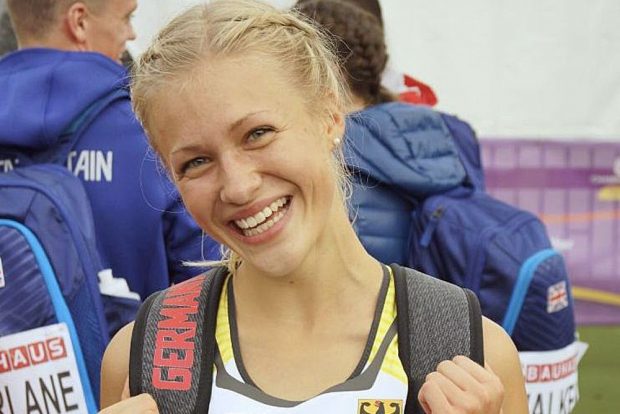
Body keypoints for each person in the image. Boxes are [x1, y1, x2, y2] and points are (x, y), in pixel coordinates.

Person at [99, 1, 527, 413]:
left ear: (330, 115)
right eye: (196, 162)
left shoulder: (473, 355)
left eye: (258, 133)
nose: (239, 187)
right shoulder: (139, 361)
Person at [0, 0, 219, 303]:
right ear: (79, 22)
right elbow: (207, 280)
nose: (131, 34)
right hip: (139, 333)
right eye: (127, 18)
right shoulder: (151, 128)